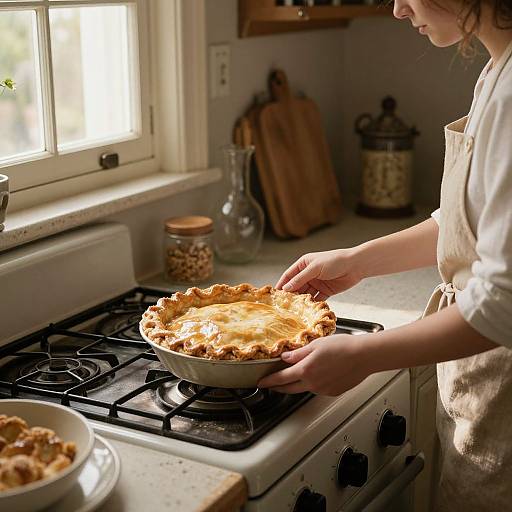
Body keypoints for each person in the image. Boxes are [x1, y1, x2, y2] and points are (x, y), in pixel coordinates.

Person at [258, 1, 512, 510]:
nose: (397, 8)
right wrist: (357, 259)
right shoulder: (496, 70)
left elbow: (502, 303)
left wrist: (362, 355)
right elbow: (470, 222)